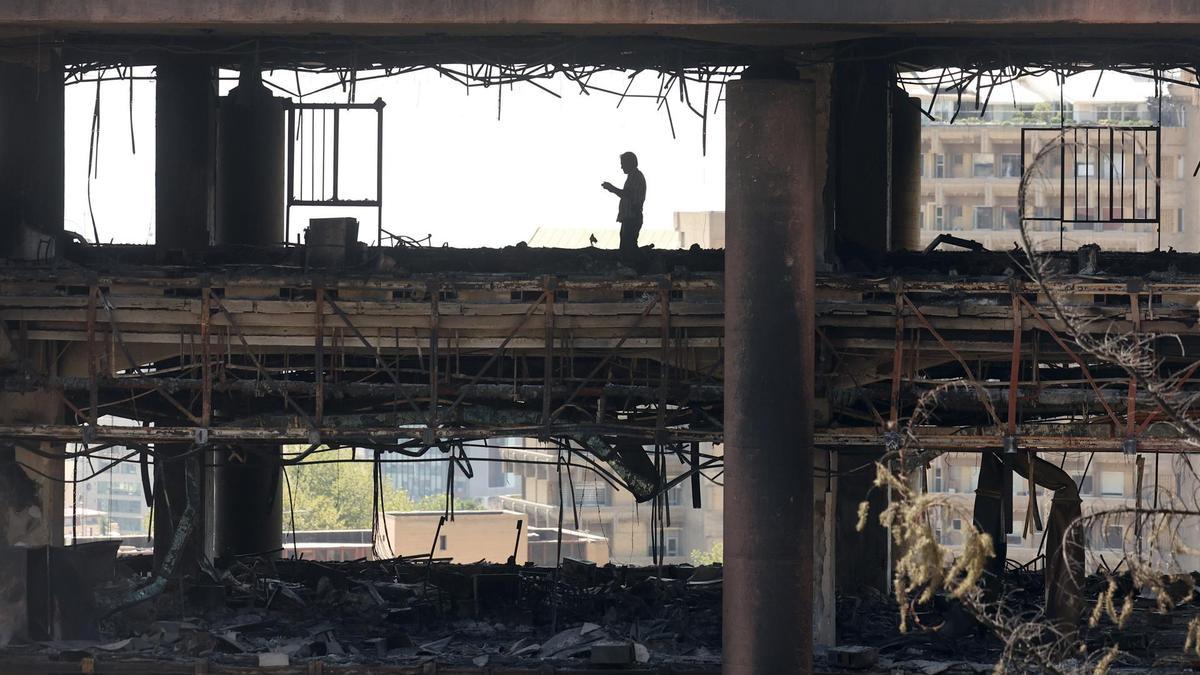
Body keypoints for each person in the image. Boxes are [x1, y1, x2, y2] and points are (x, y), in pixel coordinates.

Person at [601, 152, 646, 253]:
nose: (621, 167)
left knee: (627, 250)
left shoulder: (636, 177)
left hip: (632, 218)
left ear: (630, 163)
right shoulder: (633, 176)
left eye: (623, 163)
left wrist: (612, 188)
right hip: (630, 218)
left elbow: (627, 194)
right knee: (627, 249)